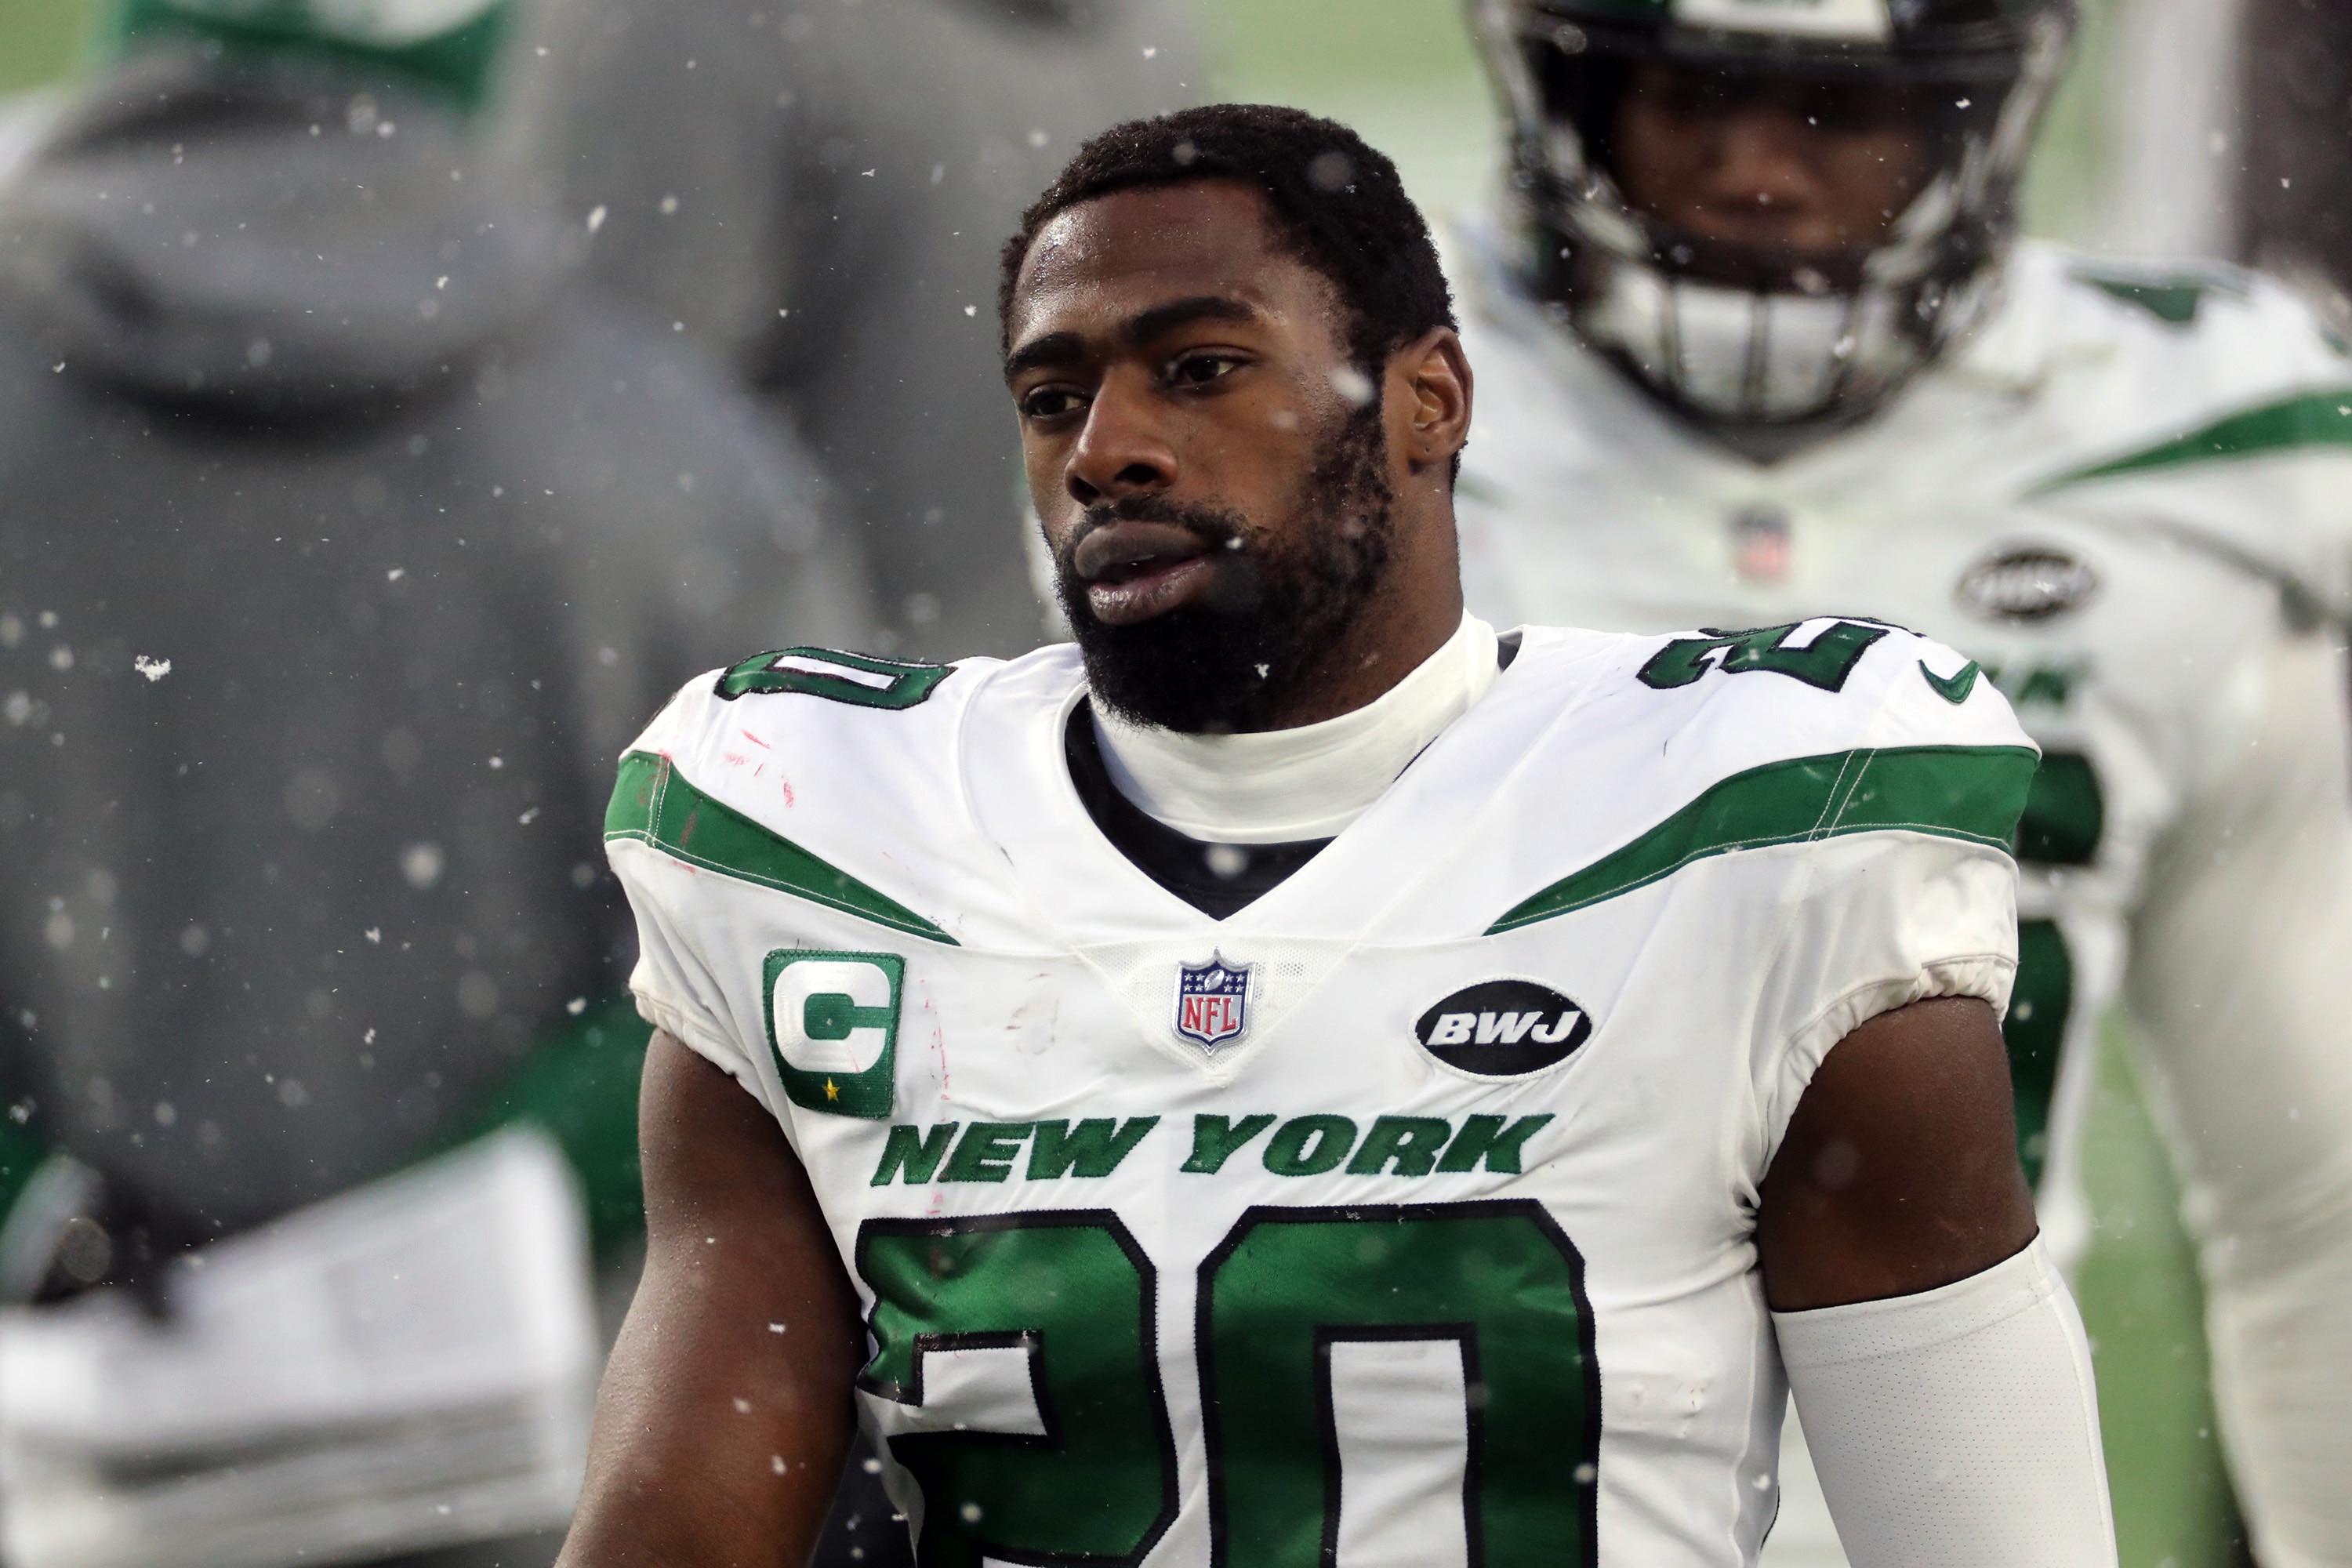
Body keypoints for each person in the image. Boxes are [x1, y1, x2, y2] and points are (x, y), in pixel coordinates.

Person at [565, 105, 2115, 1568]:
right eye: (1056, 397)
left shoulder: (1752, 830)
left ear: (1428, 396)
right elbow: (677, 1534)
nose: (1106, 448)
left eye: (1199, 369)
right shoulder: (827, 842)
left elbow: (1993, 1538)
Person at [1450, 2, 2352, 1564]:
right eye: (1691, 99)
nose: (1755, 173)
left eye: (1830, 110)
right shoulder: (1337, 393)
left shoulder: (2195, 445)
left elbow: (2316, 1200)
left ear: (1967, 120)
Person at [0, 1, 866, 1560]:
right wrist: (489, 1214)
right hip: (555, 1480)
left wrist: (60, 1218)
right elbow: (811, 951)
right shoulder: (678, 461)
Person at [500, 0, 1201, 662]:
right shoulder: (1148, 27)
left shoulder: (695, 26)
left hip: (799, 749)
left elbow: (587, 476)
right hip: (1036, 735)